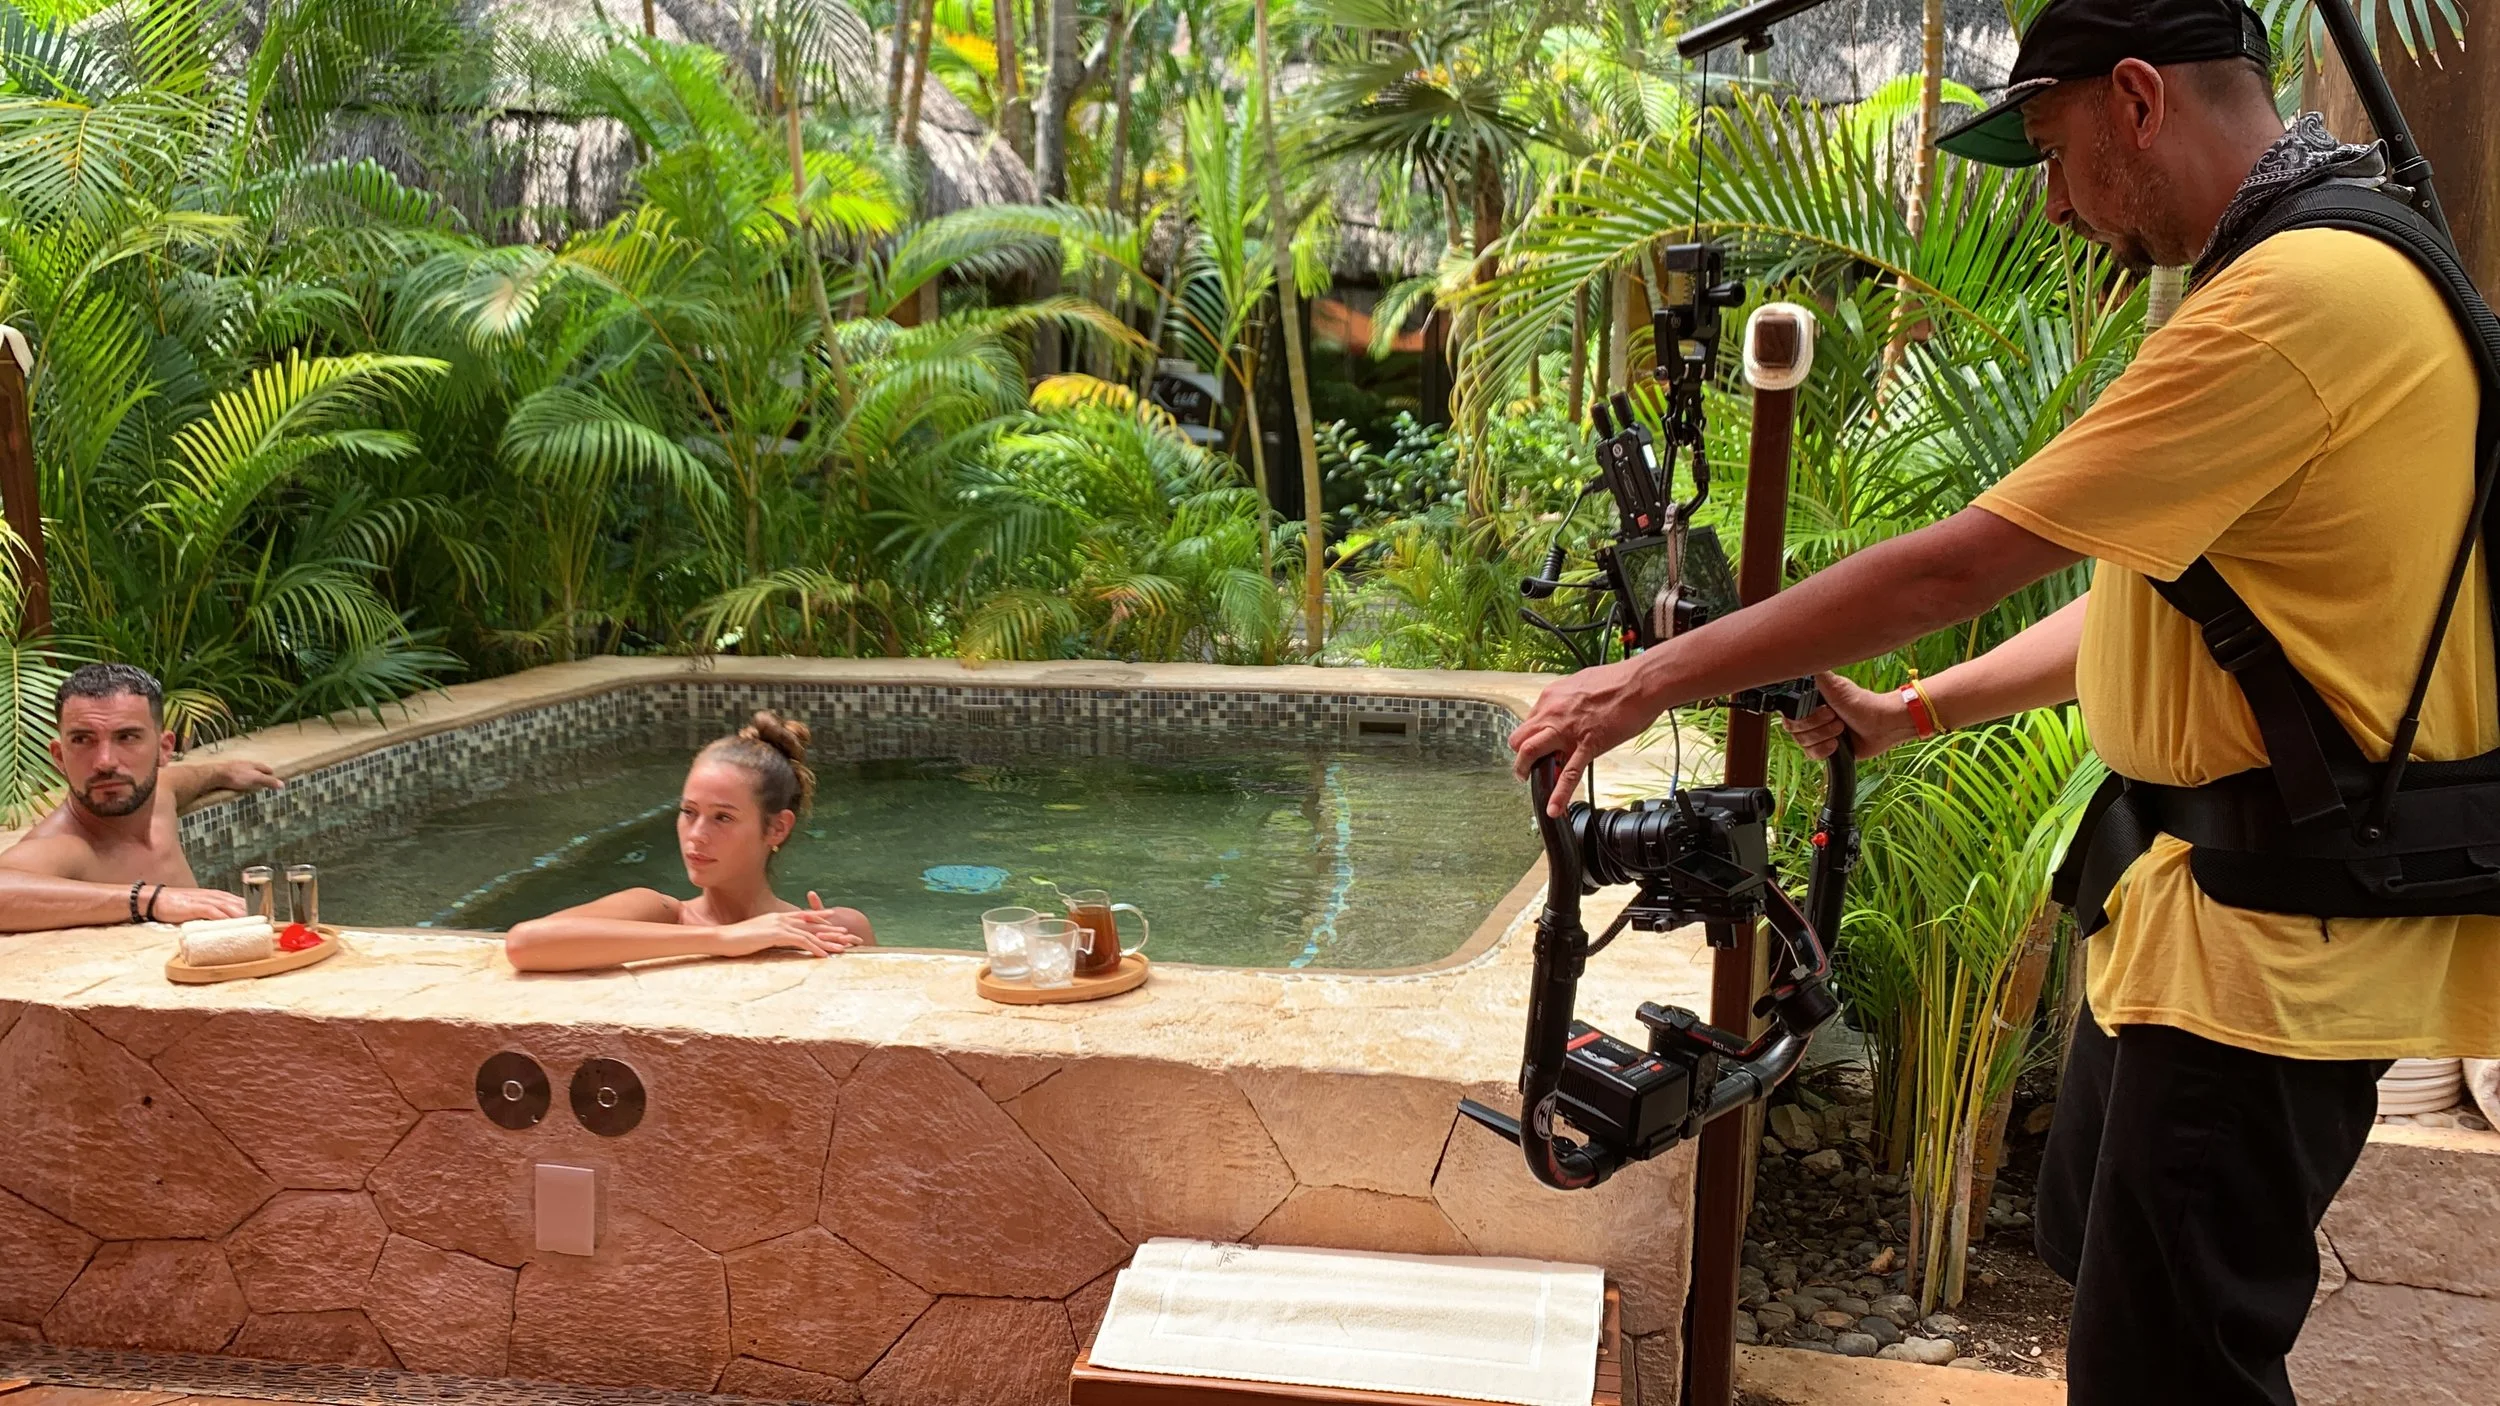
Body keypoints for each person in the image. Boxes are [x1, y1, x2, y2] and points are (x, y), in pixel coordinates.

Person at [1505, 2, 2498, 1401]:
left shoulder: (2298, 297)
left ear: (2138, 100)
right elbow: (2174, 598)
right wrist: (1906, 713)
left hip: (2270, 958)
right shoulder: (2296, 261)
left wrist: (1645, 678)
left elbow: (1959, 563)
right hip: (2196, 920)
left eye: (2051, 148)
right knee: (2103, 1264)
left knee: (2171, 1370)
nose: (2053, 203)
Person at [504, 711, 875, 972]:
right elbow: (526, 943)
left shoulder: (832, 928)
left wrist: (834, 970)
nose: (696, 834)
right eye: (688, 812)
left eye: (723, 817)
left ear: (777, 829)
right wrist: (722, 939)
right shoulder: (663, 913)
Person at [0, 663, 285, 932]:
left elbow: (180, 779)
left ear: (164, 749)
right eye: (82, 740)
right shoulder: (64, 846)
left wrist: (222, 773)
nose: (105, 762)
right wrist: (149, 900)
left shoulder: (159, 797)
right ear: (60, 757)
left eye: (127, 737)